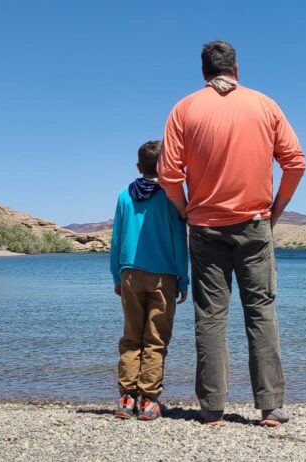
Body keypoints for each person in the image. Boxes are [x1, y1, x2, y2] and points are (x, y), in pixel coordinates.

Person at [158, 40, 306, 427]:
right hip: (255, 223)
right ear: (236, 70)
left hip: (205, 226)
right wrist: (275, 211)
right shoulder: (265, 105)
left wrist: (185, 211)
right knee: (260, 314)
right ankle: (271, 407)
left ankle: (211, 409)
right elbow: (296, 164)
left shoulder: (184, 108)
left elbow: (169, 175)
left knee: (210, 317)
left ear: (204, 72)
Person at [109, 140, 189, 420]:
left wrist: (116, 274)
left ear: (138, 166)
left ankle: (126, 399)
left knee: (131, 335)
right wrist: (183, 278)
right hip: (163, 276)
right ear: (166, 165)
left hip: (130, 273)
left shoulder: (123, 196)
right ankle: (149, 401)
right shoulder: (172, 196)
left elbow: (116, 238)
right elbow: (179, 239)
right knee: (155, 340)